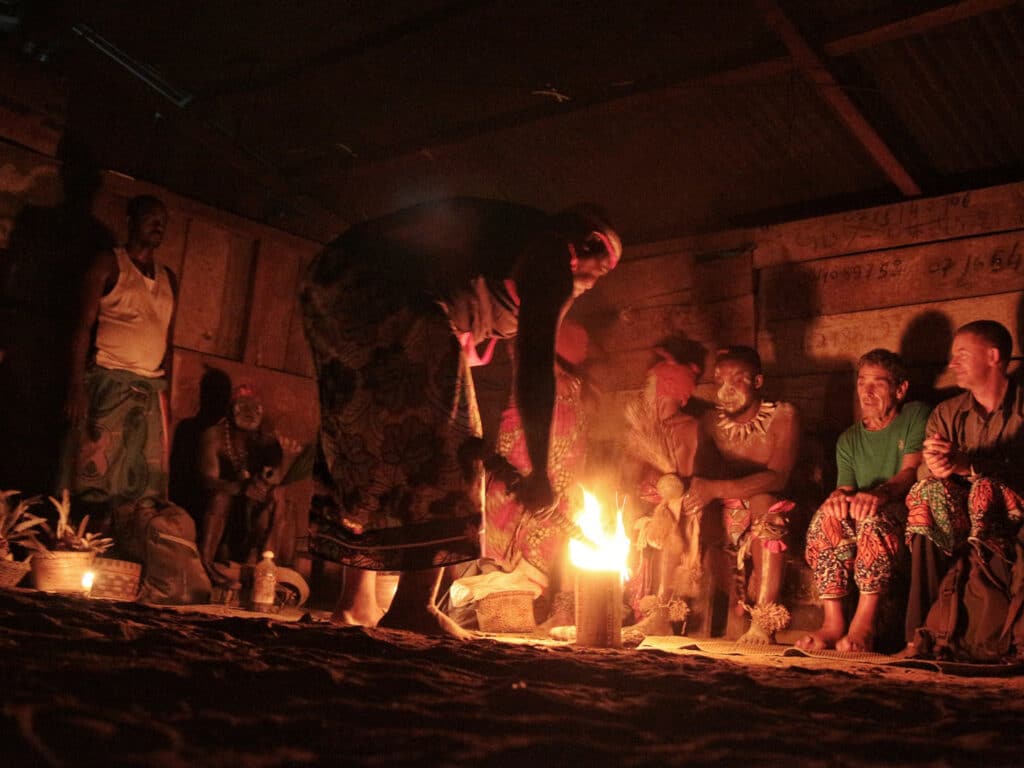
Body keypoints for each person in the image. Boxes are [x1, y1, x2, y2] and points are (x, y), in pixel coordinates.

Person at [301, 198, 621, 637]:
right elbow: (533, 372)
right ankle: (414, 606)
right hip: (389, 294)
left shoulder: (499, 246)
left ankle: (355, 604)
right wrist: (541, 473)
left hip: (329, 282)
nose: (589, 286)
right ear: (589, 244)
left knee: (372, 438)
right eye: (599, 272)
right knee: (447, 446)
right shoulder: (551, 254)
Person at [796, 349, 929, 652]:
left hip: (902, 512)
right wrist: (836, 499)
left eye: (878, 384)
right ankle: (833, 623)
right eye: (861, 383)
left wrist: (879, 494)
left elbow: (910, 472)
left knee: (872, 518)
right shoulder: (849, 439)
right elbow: (846, 488)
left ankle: (864, 624)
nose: (866, 393)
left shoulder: (914, 416)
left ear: (900, 389)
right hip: (863, 509)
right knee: (827, 518)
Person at [903, 320, 1024, 645]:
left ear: (993, 356)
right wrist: (938, 467)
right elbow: (923, 473)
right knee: (927, 497)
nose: (952, 364)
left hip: (1011, 512)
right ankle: (919, 637)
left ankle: (990, 636)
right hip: (961, 515)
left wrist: (969, 464)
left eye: (962, 355)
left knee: (986, 490)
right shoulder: (947, 413)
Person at [67, 195, 177, 517]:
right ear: (130, 221)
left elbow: (168, 342)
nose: (158, 225)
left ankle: (124, 555)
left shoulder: (169, 277)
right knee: (95, 476)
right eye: (151, 217)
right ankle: (81, 548)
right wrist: (77, 386)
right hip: (109, 381)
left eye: (163, 221)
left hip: (150, 390)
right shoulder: (109, 264)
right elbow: (82, 326)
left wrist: (168, 394)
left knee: (142, 483)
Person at [685, 346, 800, 644]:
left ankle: (763, 618)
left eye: (737, 379)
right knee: (678, 511)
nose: (726, 389)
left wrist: (716, 490)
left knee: (766, 504)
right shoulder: (710, 423)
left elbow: (778, 476)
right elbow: (701, 478)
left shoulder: (783, 416)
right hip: (728, 512)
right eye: (720, 380)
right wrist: (694, 497)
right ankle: (665, 611)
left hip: (775, 511)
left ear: (758, 382)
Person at [622, 344, 706, 635]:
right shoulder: (648, 429)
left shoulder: (686, 427)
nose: (645, 391)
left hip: (677, 507)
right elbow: (630, 477)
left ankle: (662, 610)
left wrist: (663, 512)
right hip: (648, 504)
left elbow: (679, 485)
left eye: (651, 385)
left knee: (668, 527)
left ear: (666, 390)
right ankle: (632, 606)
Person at [197, 384, 286, 589]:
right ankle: (206, 565)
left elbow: (276, 476)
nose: (249, 413)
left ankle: (266, 569)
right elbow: (206, 481)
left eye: (255, 408)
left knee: (279, 496)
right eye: (242, 406)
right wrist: (240, 488)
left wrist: (266, 482)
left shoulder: (267, 440)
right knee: (220, 498)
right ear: (231, 409)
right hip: (221, 507)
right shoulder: (215, 436)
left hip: (251, 512)